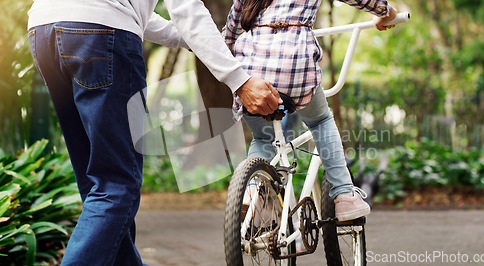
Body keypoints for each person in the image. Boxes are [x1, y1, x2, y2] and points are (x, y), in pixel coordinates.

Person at [27, 0, 283, 265]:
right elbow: (186, 9)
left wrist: (206, 42)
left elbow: (140, 16)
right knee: (117, 185)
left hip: (44, 29)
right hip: (100, 36)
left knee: (98, 186)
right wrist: (239, 80)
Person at [223, 0, 398, 221]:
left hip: (251, 78)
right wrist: (387, 12)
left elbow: (230, 34)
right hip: (294, 69)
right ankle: (344, 194)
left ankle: (249, 191)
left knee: (263, 139)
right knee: (320, 121)